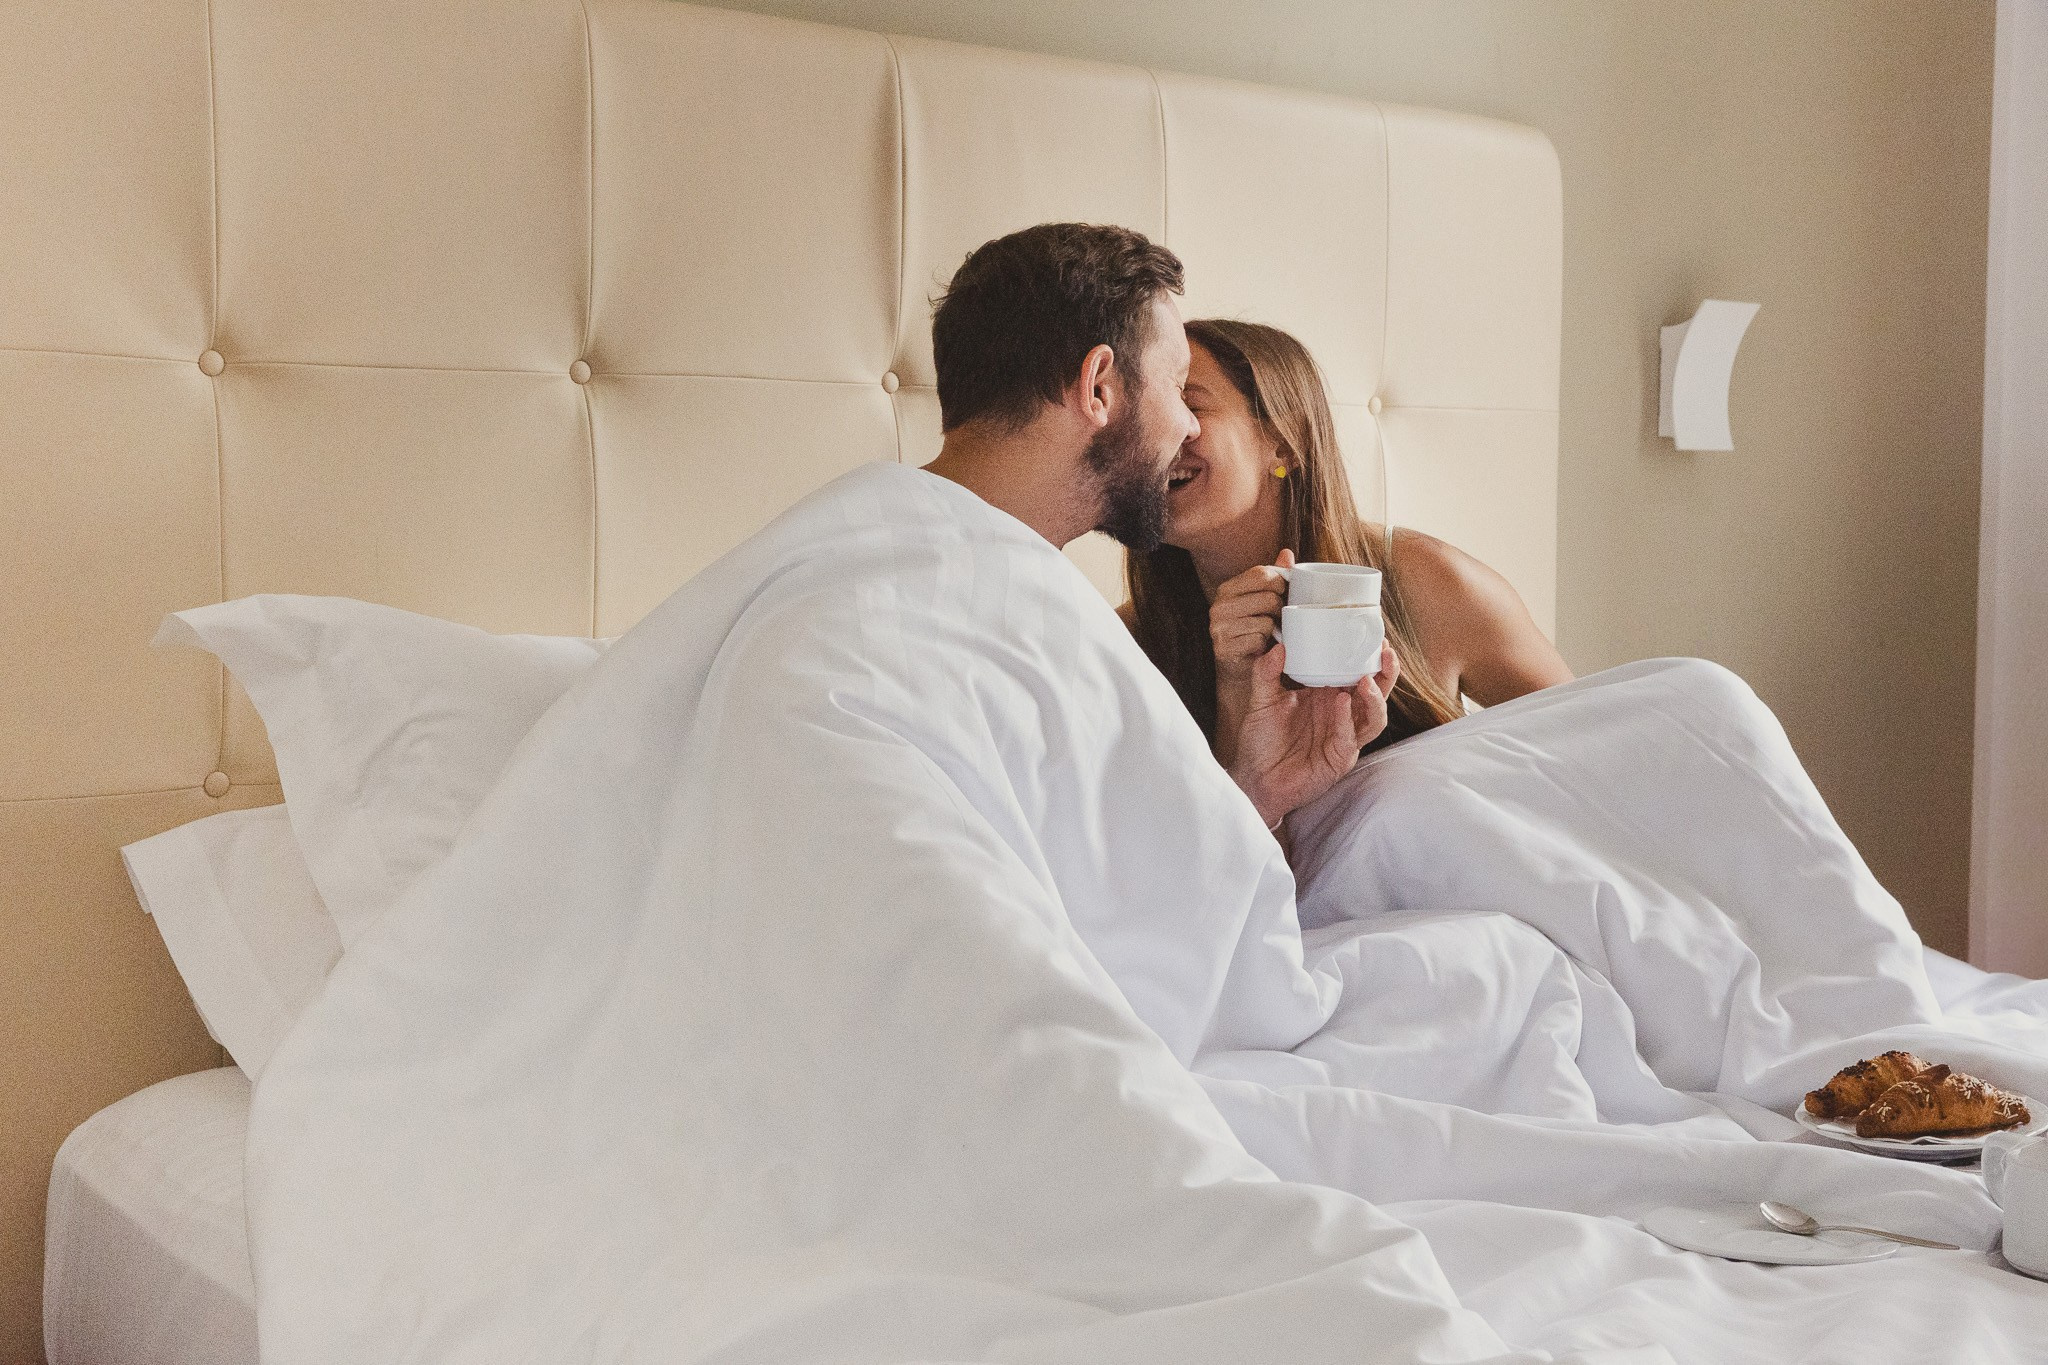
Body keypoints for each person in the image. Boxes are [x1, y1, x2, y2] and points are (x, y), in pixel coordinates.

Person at [923, 228, 1401, 830]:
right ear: (1100, 386)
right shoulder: (1058, 641)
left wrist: (1256, 792)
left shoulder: (867, 566)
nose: (1183, 427)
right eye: (1177, 388)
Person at [1123, 319, 1572, 801]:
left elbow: (1590, 754)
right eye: (1140, 416)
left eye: (1190, 405)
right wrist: (1236, 703)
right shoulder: (1130, 643)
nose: (1158, 435)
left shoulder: (1433, 585)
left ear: (1284, 441)